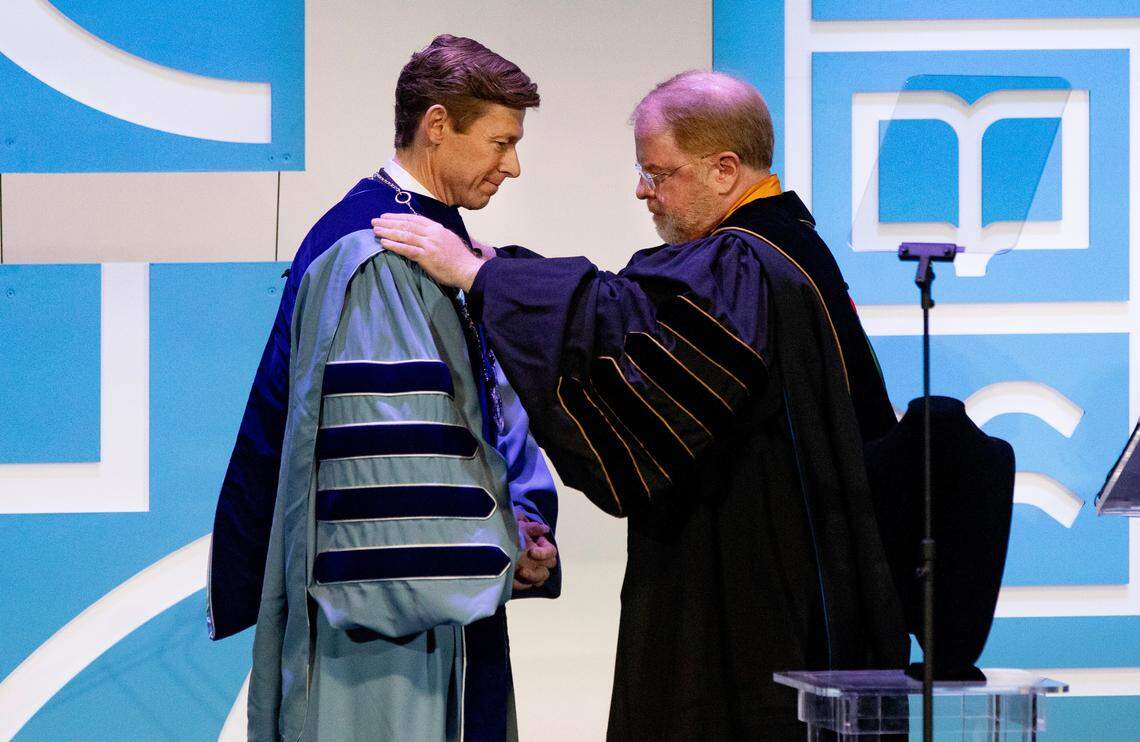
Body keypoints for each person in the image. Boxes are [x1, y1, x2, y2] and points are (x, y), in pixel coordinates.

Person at [373, 70, 908, 740]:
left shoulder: (744, 263)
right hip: (800, 579)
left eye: (656, 172)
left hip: (756, 597)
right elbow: (639, 309)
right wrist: (502, 268)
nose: (642, 189)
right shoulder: (791, 248)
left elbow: (625, 328)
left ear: (724, 169)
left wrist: (483, 276)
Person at [207, 35, 559, 742]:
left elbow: (473, 412)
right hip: (387, 626)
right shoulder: (379, 254)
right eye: (500, 143)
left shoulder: (433, 243)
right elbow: (395, 467)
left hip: (423, 603)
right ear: (438, 125)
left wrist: (524, 518)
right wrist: (497, 546)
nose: (513, 166)